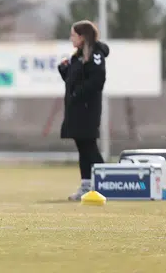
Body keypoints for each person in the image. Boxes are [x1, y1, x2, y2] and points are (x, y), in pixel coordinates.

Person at [58, 20, 110, 201]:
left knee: (89, 146)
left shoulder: (95, 54)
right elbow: (74, 80)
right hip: (76, 109)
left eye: (73, 35)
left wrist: (78, 93)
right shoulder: (77, 56)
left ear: (82, 36)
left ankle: (105, 183)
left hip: (87, 109)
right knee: (82, 146)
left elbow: (96, 81)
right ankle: (87, 185)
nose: (71, 38)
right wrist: (64, 70)